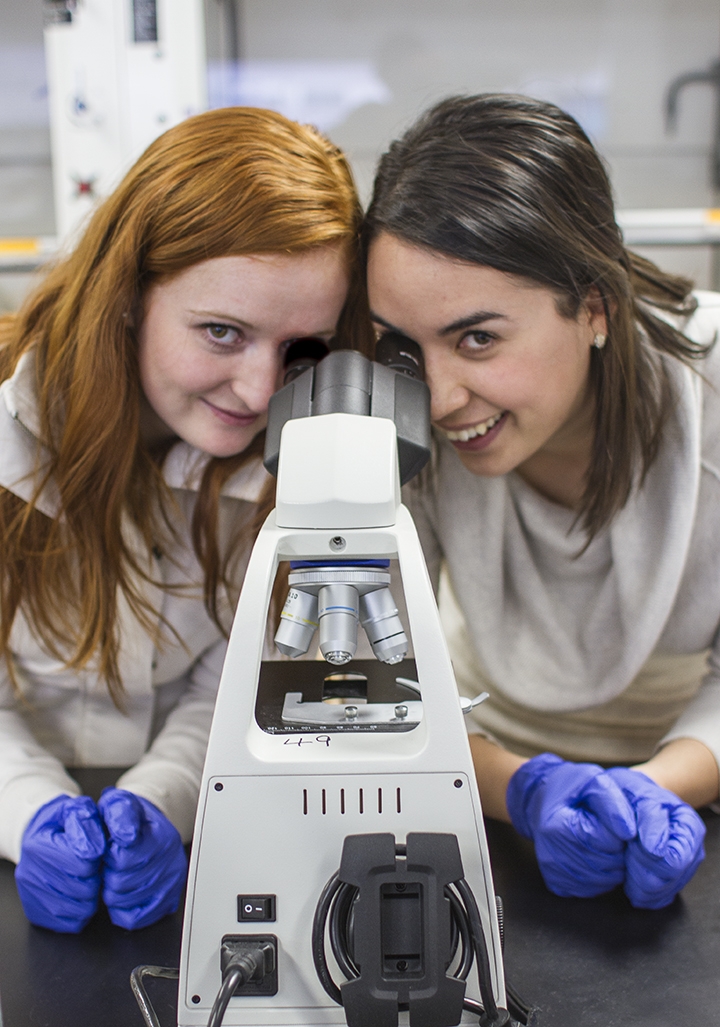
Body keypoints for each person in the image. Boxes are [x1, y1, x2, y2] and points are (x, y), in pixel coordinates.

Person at [0, 106, 363, 933]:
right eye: (222, 332)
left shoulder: (300, 455)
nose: (260, 390)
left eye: (300, 346)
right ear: (127, 297)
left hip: (196, 827)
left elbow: (234, 685)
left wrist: (163, 800)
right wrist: (29, 812)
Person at [364, 93, 720, 910]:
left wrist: (653, 792)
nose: (441, 396)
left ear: (594, 306)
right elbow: (378, 688)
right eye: (405, 343)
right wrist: (524, 790)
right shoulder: (395, 405)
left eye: (478, 337)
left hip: (690, 775)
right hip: (465, 769)